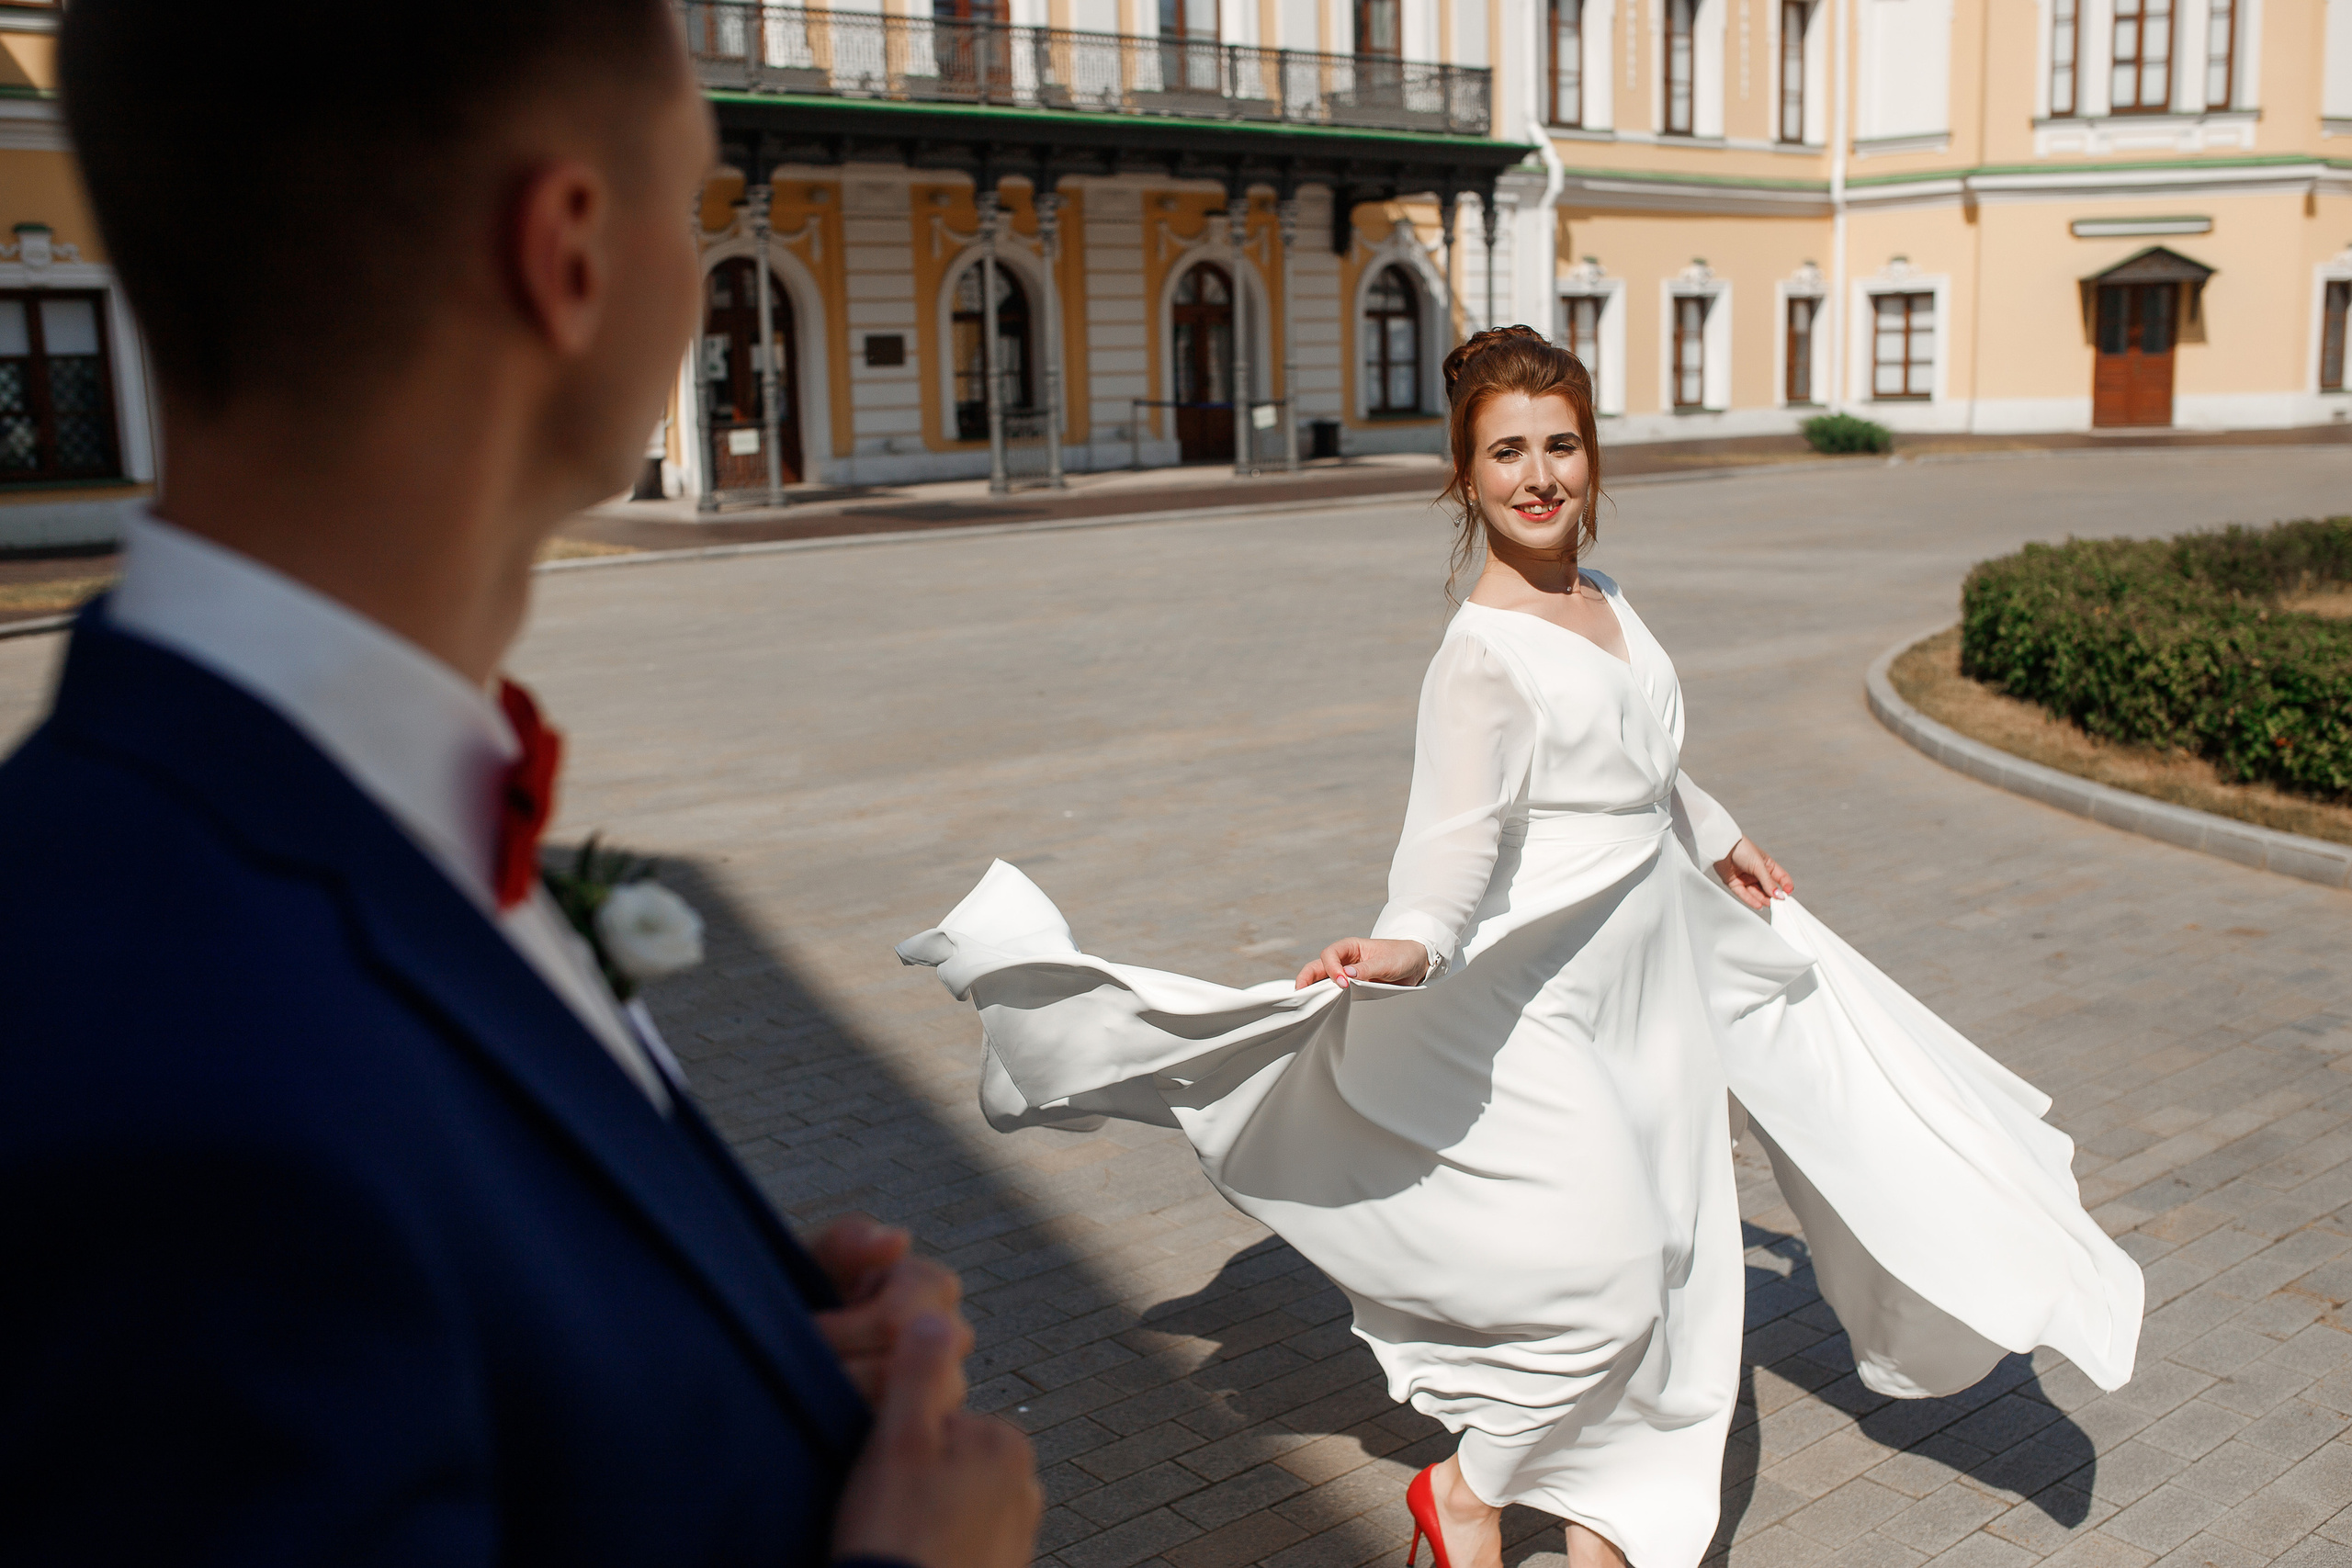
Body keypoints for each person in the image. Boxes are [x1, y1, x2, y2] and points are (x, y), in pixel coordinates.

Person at [0, 4, 1038, 1564]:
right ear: (564, 252)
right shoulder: (159, 1062)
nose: (700, 275)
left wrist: (726, 1359)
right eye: (687, 202)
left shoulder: (298, 823)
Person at [899, 326, 2143, 1568]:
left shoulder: (1605, 600)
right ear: (1464, 476)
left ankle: (1608, 1519)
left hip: (1650, 976)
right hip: (1537, 990)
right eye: (1508, 452)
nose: (1538, 474)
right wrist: (1408, 945)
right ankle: (1469, 1493)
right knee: (1603, 1277)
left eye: (1561, 445)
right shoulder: (1481, 655)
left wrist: (1720, 834)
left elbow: (1643, 757)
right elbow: (1455, 839)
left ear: (1594, 461)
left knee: (1674, 1252)